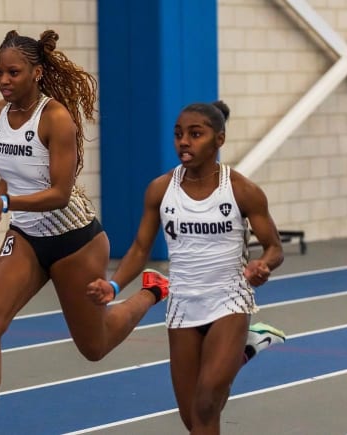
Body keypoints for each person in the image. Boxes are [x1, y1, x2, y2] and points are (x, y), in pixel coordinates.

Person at [0, 29, 171, 435]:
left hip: (74, 239)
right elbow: (12, 168)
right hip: (26, 237)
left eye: (13, 72)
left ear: (37, 72)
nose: (4, 80)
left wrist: (5, 205)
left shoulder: (56, 119)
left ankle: (151, 291)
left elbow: (60, 194)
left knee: (94, 348)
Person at [86, 101, 285, 434]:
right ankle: (246, 350)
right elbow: (139, 249)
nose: (184, 142)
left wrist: (263, 266)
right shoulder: (160, 189)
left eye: (195, 134)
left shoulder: (241, 190)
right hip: (182, 306)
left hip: (229, 302)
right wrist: (114, 285)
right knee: (193, 417)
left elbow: (274, 247)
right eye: (178, 134)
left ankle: (241, 344)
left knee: (207, 403)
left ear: (218, 139)